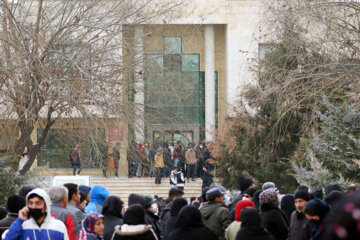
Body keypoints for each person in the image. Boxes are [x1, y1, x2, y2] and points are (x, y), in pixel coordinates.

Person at [3, 188, 69, 240]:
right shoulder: (22, 226)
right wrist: (19, 220)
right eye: (30, 203)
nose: (34, 207)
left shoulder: (58, 226)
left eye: (38, 203)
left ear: (46, 205)